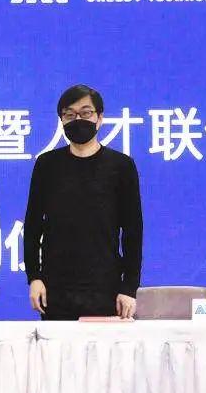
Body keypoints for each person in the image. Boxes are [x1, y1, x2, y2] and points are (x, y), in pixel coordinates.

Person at [23, 84, 143, 320]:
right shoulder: (47, 165)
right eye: (69, 115)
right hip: (55, 287)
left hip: (105, 286)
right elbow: (33, 226)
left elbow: (133, 232)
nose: (78, 120)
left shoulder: (121, 166)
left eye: (86, 113)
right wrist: (34, 278)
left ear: (99, 118)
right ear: (61, 120)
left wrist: (129, 287)